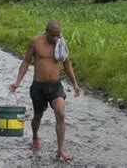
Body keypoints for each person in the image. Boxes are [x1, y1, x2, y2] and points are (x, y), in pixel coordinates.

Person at [9, 20, 81, 162]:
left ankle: (60, 151)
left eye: (57, 35)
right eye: (53, 35)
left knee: (60, 115)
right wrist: (18, 82)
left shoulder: (61, 43)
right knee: (37, 116)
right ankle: (35, 136)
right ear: (46, 32)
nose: (55, 38)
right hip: (38, 87)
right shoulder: (36, 42)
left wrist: (75, 84)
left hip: (55, 86)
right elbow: (26, 62)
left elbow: (67, 64)